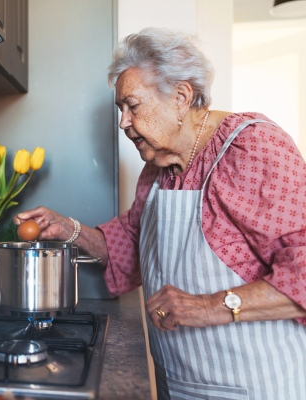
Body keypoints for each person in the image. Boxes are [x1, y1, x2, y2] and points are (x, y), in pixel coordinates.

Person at [15, 27, 306, 399]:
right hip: (180, 382)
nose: (123, 123)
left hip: (256, 384)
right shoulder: (157, 167)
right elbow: (130, 245)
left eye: (132, 106)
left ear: (181, 96)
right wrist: (67, 229)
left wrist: (208, 306)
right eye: (120, 109)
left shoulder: (252, 146)